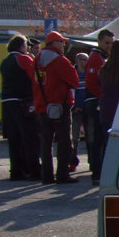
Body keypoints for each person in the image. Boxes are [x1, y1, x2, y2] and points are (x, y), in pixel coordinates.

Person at [31, 31, 80, 184]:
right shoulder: (60, 61)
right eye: (61, 42)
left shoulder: (36, 60)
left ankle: (47, 176)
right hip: (60, 105)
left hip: (41, 105)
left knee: (46, 142)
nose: (64, 44)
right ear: (53, 43)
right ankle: (62, 174)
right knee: (65, 142)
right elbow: (74, 81)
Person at [0, 35, 41, 180]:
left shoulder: (4, 62)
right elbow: (34, 77)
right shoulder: (24, 59)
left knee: (14, 138)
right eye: (26, 45)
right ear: (21, 47)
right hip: (22, 101)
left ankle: (16, 170)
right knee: (30, 136)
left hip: (6, 101)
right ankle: (35, 170)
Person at [97, 40, 119, 178]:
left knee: (108, 144)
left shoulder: (104, 69)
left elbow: (99, 85)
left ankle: (107, 174)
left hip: (107, 107)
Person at [84, 29, 114, 186]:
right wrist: (104, 98)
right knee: (99, 138)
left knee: (99, 137)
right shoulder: (96, 58)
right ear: (99, 41)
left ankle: (98, 170)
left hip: (97, 100)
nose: (109, 46)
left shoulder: (100, 57)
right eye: (107, 43)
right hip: (96, 101)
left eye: (111, 43)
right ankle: (97, 171)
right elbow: (90, 83)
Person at [70, 52, 89, 172]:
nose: (85, 62)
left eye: (87, 59)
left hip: (88, 108)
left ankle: (93, 163)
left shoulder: (90, 73)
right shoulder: (72, 72)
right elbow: (69, 90)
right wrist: (73, 106)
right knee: (74, 138)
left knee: (91, 138)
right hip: (76, 110)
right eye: (83, 59)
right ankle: (72, 163)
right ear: (77, 60)